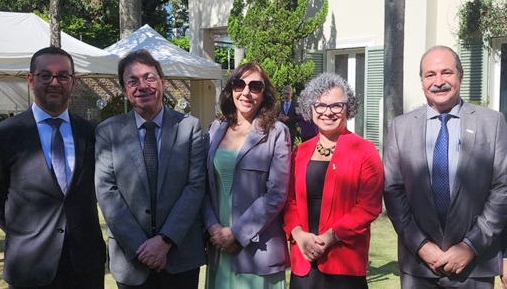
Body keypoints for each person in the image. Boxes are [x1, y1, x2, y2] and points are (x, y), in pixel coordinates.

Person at [384, 45, 507, 289]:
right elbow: (393, 192)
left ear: (460, 76)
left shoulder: (492, 123)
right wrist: (422, 247)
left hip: (474, 267)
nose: (438, 81)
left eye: (446, 73)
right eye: (430, 74)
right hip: (418, 267)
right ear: (421, 81)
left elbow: (502, 188)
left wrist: (470, 247)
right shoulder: (401, 128)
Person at [0, 47, 106, 289]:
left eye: (63, 76)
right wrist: (25, 229)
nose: (54, 82)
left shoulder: (93, 133)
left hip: (85, 265)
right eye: (45, 75)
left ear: (73, 82)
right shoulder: (1, 135)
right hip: (29, 264)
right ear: (31, 80)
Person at [95, 49, 206, 288]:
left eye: (149, 77)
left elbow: (195, 186)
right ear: (124, 90)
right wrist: (142, 248)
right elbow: (106, 192)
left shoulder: (189, 127)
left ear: (163, 83)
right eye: (133, 81)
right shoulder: (108, 131)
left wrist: (165, 241)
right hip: (131, 259)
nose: (142, 86)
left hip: (181, 256)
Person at [283, 73, 384, 289]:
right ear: (311, 109)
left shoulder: (365, 151)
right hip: (304, 261)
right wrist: (298, 234)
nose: (328, 112)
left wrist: (329, 237)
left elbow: (369, 207)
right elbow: (289, 201)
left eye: (336, 106)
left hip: (344, 262)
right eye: (320, 105)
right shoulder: (300, 152)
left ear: (348, 109)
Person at [201, 62, 291, 288]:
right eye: (239, 84)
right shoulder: (215, 129)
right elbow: (201, 185)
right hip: (218, 245)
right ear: (230, 89)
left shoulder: (277, 133)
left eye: (255, 86)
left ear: (265, 94)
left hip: (257, 250)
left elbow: (277, 194)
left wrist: (237, 233)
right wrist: (213, 228)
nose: (246, 92)